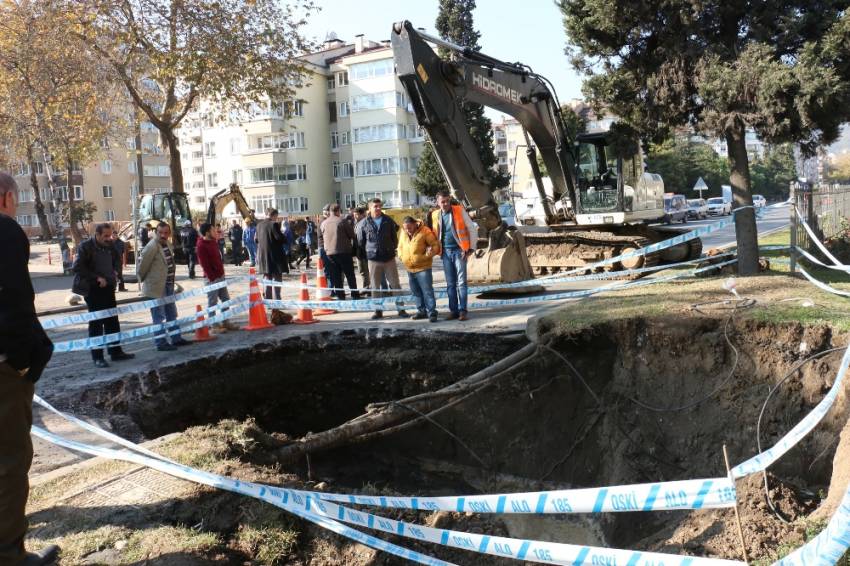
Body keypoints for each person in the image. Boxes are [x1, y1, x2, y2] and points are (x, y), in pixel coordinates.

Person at [0, 172, 60, 566]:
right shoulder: (5, 231)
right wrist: (24, 361)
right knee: (9, 461)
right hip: (4, 370)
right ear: (7, 197)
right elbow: (15, 301)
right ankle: (9, 556)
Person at [72, 223, 136, 367]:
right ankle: (98, 357)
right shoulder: (85, 246)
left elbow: (117, 260)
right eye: (105, 236)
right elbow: (77, 267)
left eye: (110, 235)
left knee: (112, 321)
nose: (109, 238)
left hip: (108, 288)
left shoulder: (111, 245)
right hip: (92, 289)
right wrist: (96, 278)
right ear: (97, 234)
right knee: (96, 323)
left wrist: (116, 273)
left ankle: (116, 352)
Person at [138, 222, 192, 351]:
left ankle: (176, 338)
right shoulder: (151, 247)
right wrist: (147, 284)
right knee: (159, 317)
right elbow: (142, 268)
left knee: (171, 314)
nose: (163, 235)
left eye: (166, 233)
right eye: (160, 232)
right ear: (156, 232)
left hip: (168, 285)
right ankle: (161, 343)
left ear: (169, 233)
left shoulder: (168, 244)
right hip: (156, 288)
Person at [355, 198, 408, 320]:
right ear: (370, 209)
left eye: (379, 206)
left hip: (389, 259)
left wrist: (390, 249)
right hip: (373, 259)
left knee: (395, 285)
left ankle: (401, 309)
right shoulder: (364, 223)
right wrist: (369, 252)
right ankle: (378, 311)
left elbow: (394, 239)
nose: (378, 208)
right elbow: (360, 242)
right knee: (375, 286)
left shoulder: (388, 220)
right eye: (375, 206)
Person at [431, 191, 475, 321]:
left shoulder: (459, 210)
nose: (445, 204)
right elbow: (434, 234)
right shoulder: (434, 215)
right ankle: (453, 310)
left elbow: (471, 229)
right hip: (445, 253)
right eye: (442, 202)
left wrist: (470, 248)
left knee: (461, 283)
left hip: (459, 251)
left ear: (449, 200)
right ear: (437, 202)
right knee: (450, 284)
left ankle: (463, 311)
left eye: (446, 201)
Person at [196, 223, 240, 333]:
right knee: (212, 302)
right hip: (211, 279)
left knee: (225, 300)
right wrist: (212, 277)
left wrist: (221, 273)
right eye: (213, 230)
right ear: (207, 232)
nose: (216, 231)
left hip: (220, 276)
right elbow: (204, 264)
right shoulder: (201, 245)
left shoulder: (213, 242)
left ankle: (225, 321)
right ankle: (213, 324)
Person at [398, 216, 440, 322]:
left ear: (415, 225)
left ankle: (432, 312)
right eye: (406, 228)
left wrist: (427, 256)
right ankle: (421, 311)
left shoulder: (425, 231)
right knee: (416, 292)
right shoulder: (403, 233)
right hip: (410, 268)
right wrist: (401, 256)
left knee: (427, 291)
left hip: (423, 268)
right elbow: (400, 247)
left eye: (410, 228)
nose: (408, 230)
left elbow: (435, 245)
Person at [321, 204, 360, 300]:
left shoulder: (324, 223)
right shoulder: (342, 221)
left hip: (329, 253)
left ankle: (340, 295)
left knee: (336, 275)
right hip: (343, 252)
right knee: (349, 274)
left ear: (330, 211)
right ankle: (354, 294)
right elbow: (352, 235)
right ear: (338, 211)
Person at [256, 208, 286, 300]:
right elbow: (279, 238)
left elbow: (256, 240)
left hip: (263, 257)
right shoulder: (274, 224)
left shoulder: (259, 225)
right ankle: (277, 299)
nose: (276, 218)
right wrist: (284, 235)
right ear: (274, 215)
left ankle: (268, 299)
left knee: (267, 277)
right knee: (277, 278)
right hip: (274, 257)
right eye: (276, 216)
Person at [352, 206, 371, 295]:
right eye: (354, 215)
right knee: (362, 271)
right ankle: (366, 288)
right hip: (359, 252)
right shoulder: (356, 224)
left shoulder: (366, 223)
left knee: (366, 271)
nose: (355, 217)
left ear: (362, 214)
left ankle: (368, 289)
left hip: (365, 252)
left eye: (356, 215)